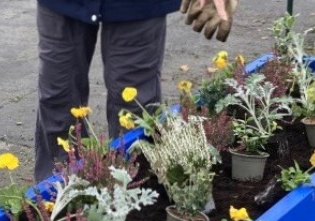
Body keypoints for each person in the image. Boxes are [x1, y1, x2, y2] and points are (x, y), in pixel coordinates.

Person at [34, 0, 238, 182]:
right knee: (58, 97)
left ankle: (131, 192)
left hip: (136, 7)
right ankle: (56, 193)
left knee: (134, 108)